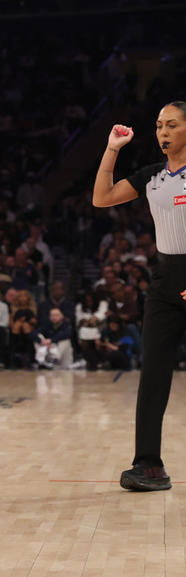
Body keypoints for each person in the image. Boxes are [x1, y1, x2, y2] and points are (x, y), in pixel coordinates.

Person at [92, 110, 186, 492]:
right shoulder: (152, 176)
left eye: (173, 125)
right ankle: (148, 465)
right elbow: (102, 198)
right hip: (165, 283)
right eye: (160, 125)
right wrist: (112, 150)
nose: (163, 131)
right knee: (153, 376)